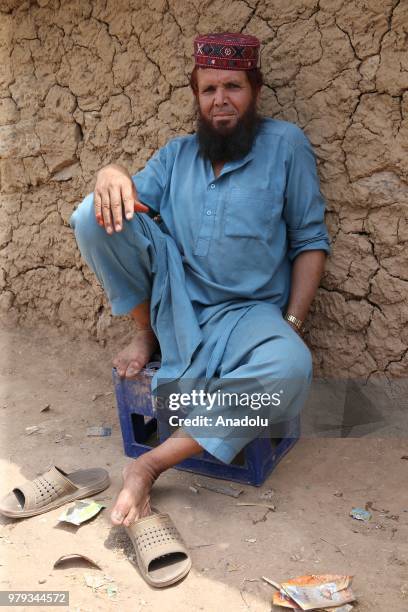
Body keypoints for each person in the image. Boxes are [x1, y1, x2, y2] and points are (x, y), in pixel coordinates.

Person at [70, 32, 330, 529]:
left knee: (291, 366)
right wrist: (109, 172)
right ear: (195, 95)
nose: (220, 100)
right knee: (91, 214)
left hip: (250, 315)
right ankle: (147, 333)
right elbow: (123, 205)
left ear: (255, 89)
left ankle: (150, 463)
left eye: (232, 86)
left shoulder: (286, 146)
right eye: (208, 89)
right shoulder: (176, 155)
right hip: (180, 305)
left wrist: (291, 322)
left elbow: (310, 239)